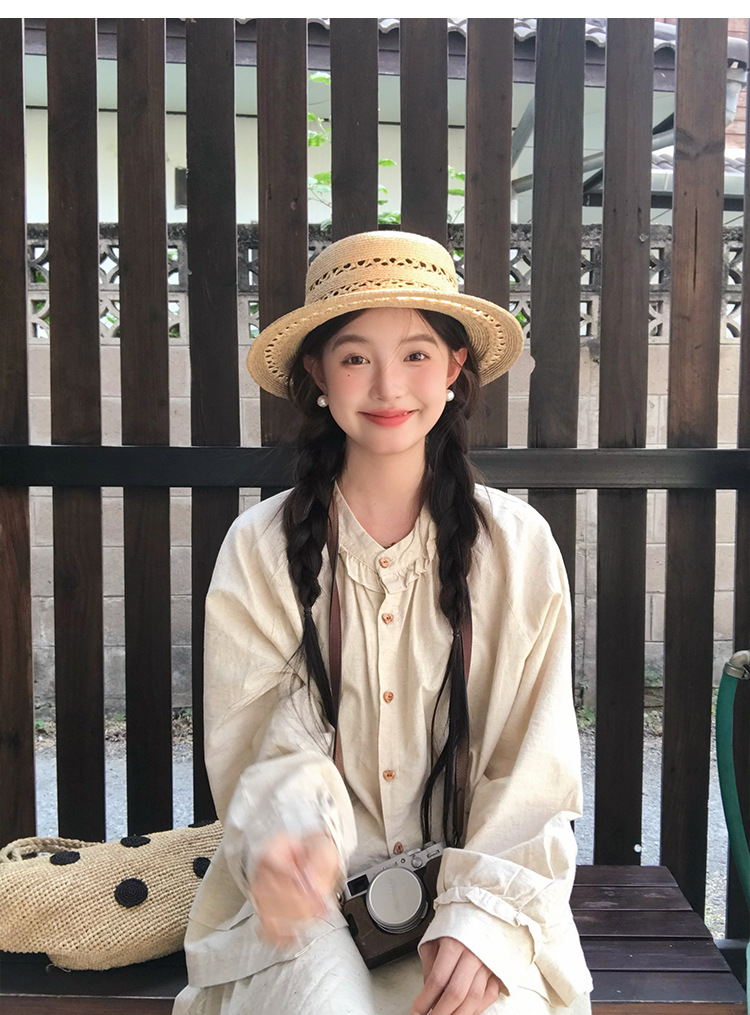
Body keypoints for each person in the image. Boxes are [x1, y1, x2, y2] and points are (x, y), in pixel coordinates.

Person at [172, 231, 593, 1015]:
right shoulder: (259, 550)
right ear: (317, 373)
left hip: (481, 888)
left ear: (455, 367)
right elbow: (265, 745)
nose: (389, 385)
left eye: (418, 353)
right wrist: (293, 841)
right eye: (356, 356)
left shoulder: (519, 548)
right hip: (306, 912)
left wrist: (484, 917)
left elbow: (532, 768)